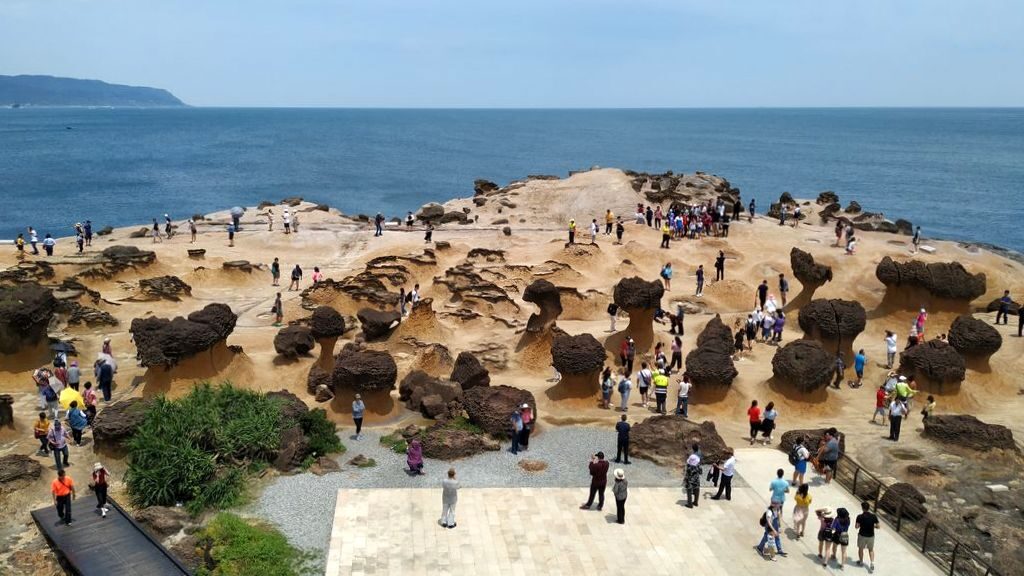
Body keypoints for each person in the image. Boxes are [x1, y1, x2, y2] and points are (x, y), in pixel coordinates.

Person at [855, 501, 879, 572]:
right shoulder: (873, 516)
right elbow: (878, 526)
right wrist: (872, 525)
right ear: (869, 508)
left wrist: (861, 524)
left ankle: (861, 562)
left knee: (861, 549)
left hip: (862, 535)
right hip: (871, 536)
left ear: (862, 508)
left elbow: (856, 526)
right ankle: (872, 563)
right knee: (871, 549)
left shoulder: (859, 516)